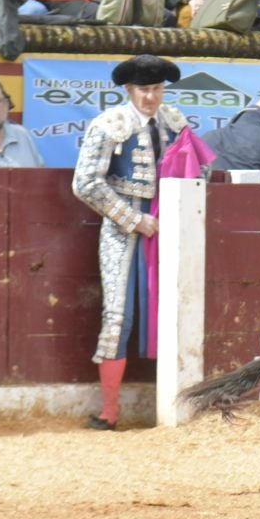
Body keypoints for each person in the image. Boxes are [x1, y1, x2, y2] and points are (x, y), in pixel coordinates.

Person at [70, 54, 187, 431]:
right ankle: (109, 412)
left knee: (176, 312)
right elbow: (85, 182)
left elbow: (194, 171)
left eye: (156, 89)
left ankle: (176, 406)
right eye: (143, 90)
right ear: (128, 90)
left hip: (170, 227)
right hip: (124, 230)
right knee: (119, 314)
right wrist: (134, 219)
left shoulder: (175, 121)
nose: (150, 98)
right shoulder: (109, 124)